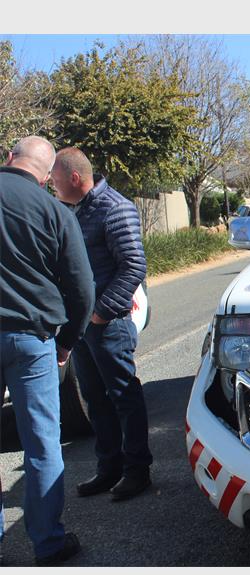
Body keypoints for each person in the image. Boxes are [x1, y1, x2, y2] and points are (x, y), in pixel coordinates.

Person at [0, 136, 94, 565]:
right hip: (32, 338)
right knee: (42, 445)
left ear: (9, 158)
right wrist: (67, 341)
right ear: (45, 175)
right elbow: (81, 286)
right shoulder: (54, 211)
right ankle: (49, 544)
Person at [50, 147, 152, 502]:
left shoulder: (115, 208)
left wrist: (101, 312)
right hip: (80, 325)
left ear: (75, 178)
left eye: (55, 180)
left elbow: (133, 265)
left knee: (123, 397)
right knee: (95, 399)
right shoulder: (71, 210)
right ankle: (109, 467)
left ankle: (137, 471)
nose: (52, 187)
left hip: (108, 324)